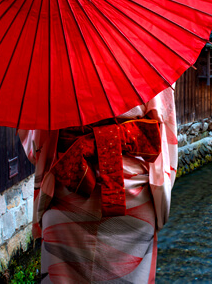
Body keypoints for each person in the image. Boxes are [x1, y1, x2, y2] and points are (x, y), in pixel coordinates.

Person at [18, 86, 178, 283]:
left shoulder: (51, 69)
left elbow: (38, 146)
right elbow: (164, 131)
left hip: (70, 187)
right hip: (133, 197)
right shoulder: (147, 65)